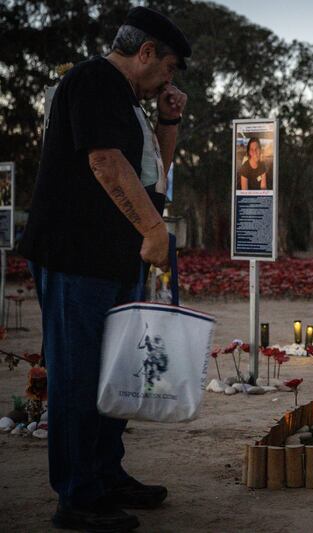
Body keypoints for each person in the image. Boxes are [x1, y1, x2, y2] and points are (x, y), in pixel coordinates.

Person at [18, 7, 191, 531]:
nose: (168, 79)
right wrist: (155, 232)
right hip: (78, 257)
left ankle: (105, 476)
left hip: (112, 257)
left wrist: (168, 121)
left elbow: (151, 176)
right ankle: (78, 498)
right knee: (78, 374)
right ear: (145, 53)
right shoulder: (94, 79)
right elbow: (105, 163)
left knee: (114, 371)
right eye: (168, 68)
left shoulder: (129, 100)